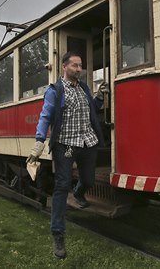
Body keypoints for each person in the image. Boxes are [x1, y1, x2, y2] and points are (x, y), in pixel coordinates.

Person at [27, 51, 107, 259]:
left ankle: (79, 193)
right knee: (62, 185)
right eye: (75, 65)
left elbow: (91, 109)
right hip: (66, 146)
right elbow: (45, 116)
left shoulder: (84, 88)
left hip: (87, 143)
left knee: (89, 180)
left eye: (81, 66)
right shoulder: (55, 90)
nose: (79, 69)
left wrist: (98, 97)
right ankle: (58, 234)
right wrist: (38, 142)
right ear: (64, 67)